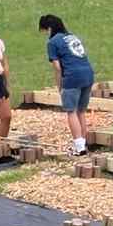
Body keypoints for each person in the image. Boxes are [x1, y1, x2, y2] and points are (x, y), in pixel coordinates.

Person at [38, 14, 95, 156]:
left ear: (50, 28)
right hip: (88, 73)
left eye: (44, 30)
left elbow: (57, 67)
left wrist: (60, 85)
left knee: (71, 111)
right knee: (81, 111)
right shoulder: (72, 36)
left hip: (72, 76)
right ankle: (84, 142)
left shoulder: (52, 42)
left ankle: (79, 147)